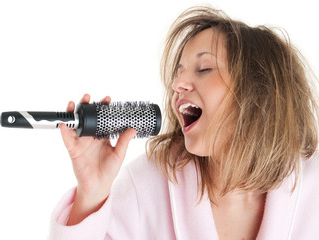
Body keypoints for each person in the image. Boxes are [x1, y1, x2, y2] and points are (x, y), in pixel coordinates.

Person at [48, 6, 319, 240]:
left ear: (258, 89)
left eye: (203, 69)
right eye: (178, 73)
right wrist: (91, 192)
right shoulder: (147, 184)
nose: (178, 85)